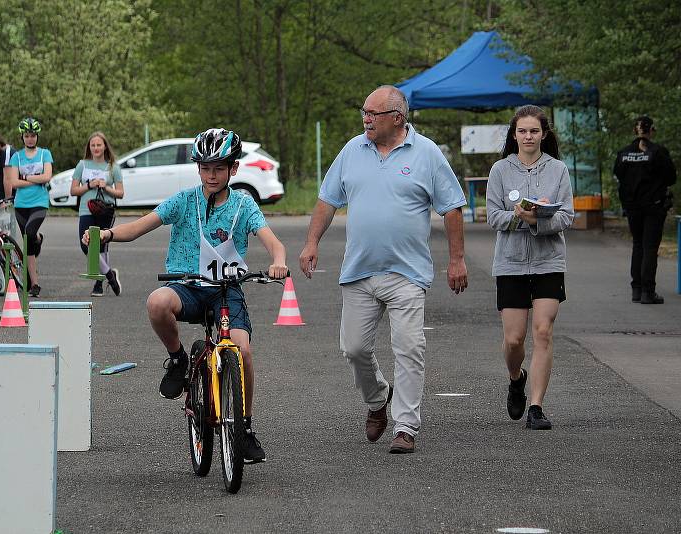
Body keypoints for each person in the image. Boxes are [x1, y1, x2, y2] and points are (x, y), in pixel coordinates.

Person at [82, 128, 287, 463]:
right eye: (206, 167)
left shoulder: (244, 205)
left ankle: (245, 427)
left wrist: (278, 261)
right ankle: (178, 359)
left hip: (224, 289)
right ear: (198, 168)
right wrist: (106, 234)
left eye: (219, 167)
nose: (212, 174)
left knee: (243, 350)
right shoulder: (184, 200)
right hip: (186, 285)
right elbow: (140, 226)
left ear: (233, 169)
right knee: (156, 302)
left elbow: (274, 243)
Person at [298, 85, 468, 454]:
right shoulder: (352, 150)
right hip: (359, 271)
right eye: (364, 112)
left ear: (398, 118)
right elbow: (327, 200)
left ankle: (406, 426)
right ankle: (378, 399)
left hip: (407, 272)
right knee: (354, 348)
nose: (366, 119)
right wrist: (312, 242)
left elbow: (452, 207)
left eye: (373, 114)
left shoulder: (427, 154)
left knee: (409, 348)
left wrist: (456, 259)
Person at [485, 105, 574, 431]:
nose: (528, 136)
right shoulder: (500, 170)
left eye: (534, 131)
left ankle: (536, 407)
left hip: (549, 261)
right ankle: (515, 377)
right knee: (514, 340)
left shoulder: (558, 170)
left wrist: (537, 221)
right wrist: (518, 217)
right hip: (510, 263)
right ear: (513, 135)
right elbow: (493, 215)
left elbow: (566, 216)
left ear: (544, 134)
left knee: (543, 332)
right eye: (522, 131)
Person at [613, 116, 677, 304]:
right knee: (650, 247)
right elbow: (671, 177)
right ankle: (648, 292)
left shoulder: (624, 153)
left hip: (632, 207)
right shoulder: (658, 152)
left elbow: (618, 174)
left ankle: (636, 289)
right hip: (654, 207)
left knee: (638, 245)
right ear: (652, 130)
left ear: (635, 130)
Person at [70, 131, 124, 297]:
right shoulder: (82, 165)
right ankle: (109, 274)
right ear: (89, 147)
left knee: (101, 246)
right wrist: (90, 185)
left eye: (99, 144)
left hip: (106, 210)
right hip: (87, 210)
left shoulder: (113, 166)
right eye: (93, 145)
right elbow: (73, 190)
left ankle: (99, 284)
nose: (96, 148)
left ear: (105, 146)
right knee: (85, 243)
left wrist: (105, 187)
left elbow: (120, 193)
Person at [5, 117, 53, 298]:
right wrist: (35, 177)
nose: (30, 139)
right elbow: (14, 182)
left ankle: (38, 238)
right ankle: (34, 283)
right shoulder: (16, 157)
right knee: (28, 242)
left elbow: (47, 176)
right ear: (22, 137)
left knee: (31, 234)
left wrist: (26, 178)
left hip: (39, 202)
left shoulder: (44, 154)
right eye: (27, 136)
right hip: (21, 204)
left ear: (37, 136)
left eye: (33, 135)